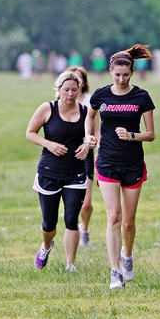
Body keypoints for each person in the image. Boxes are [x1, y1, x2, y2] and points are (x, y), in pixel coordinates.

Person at [84, 44, 155, 289]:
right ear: (111, 72)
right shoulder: (101, 95)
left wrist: (132, 136)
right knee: (113, 216)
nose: (121, 79)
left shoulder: (142, 97)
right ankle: (114, 272)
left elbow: (151, 134)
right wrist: (89, 137)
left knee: (128, 222)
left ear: (132, 73)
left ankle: (127, 255)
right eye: (117, 75)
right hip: (107, 162)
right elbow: (90, 116)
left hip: (133, 164)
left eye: (125, 75)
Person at [26, 71, 91, 272]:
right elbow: (30, 133)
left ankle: (70, 265)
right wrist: (49, 144)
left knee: (72, 220)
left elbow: (94, 136)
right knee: (49, 223)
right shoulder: (47, 108)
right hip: (49, 171)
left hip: (76, 172)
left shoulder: (86, 112)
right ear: (58, 89)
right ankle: (46, 246)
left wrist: (88, 145)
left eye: (74, 90)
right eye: (66, 90)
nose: (70, 94)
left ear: (80, 89)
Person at [65, 65, 98, 248]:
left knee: (85, 205)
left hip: (86, 155)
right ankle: (72, 232)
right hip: (66, 156)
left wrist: (92, 145)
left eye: (78, 80)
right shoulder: (58, 103)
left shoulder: (91, 102)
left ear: (83, 83)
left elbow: (97, 132)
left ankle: (84, 227)